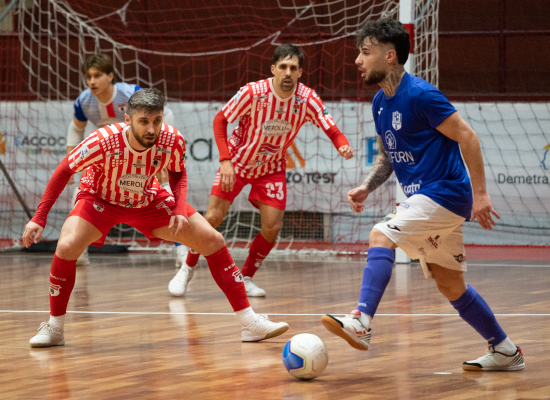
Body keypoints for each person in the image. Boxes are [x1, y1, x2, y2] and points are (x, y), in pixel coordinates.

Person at [321, 18, 524, 371]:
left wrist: (481, 194)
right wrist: (367, 187)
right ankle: (506, 350)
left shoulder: (421, 95)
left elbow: (468, 136)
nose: (357, 60)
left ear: (390, 56)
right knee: (450, 284)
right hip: (429, 199)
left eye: (365, 52)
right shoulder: (380, 102)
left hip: (444, 192)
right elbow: (387, 156)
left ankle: (361, 321)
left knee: (380, 234)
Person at [23, 88, 289, 348]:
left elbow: (177, 172)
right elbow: (63, 171)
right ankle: (55, 328)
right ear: (127, 119)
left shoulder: (172, 139)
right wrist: (39, 217)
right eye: (144, 122)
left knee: (212, 239)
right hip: (100, 199)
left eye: (157, 121)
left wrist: (179, 207)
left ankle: (250, 323)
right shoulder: (102, 140)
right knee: (67, 246)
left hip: (146, 199)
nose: (151, 129)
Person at [168, 44, 354, 297]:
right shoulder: (253, 92)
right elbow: (220, 120)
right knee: (211, 218)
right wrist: (226, 161)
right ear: (273, 69)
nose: (288, 72)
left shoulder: (307, 99)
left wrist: (342, 145)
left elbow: (332, 130)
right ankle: (187, 269)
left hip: (271, 168)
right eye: (283, 67)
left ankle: (245, 277)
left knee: (273, 226)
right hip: (237, 162)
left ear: (300, 73)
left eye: (293, 68)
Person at [65, 53, 179, 266]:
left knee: (166, 195)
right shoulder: (84, 101)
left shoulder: (131, 94)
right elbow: (75, 129)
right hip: (110, 158)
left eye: (97, 75)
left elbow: (165, 116)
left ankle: (182, 252)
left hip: (141, 154)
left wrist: (160, 153)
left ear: (110, 76)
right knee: (80, 195)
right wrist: (70, 163)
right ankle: (78, 254)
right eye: (88, 76)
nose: (92, 81)